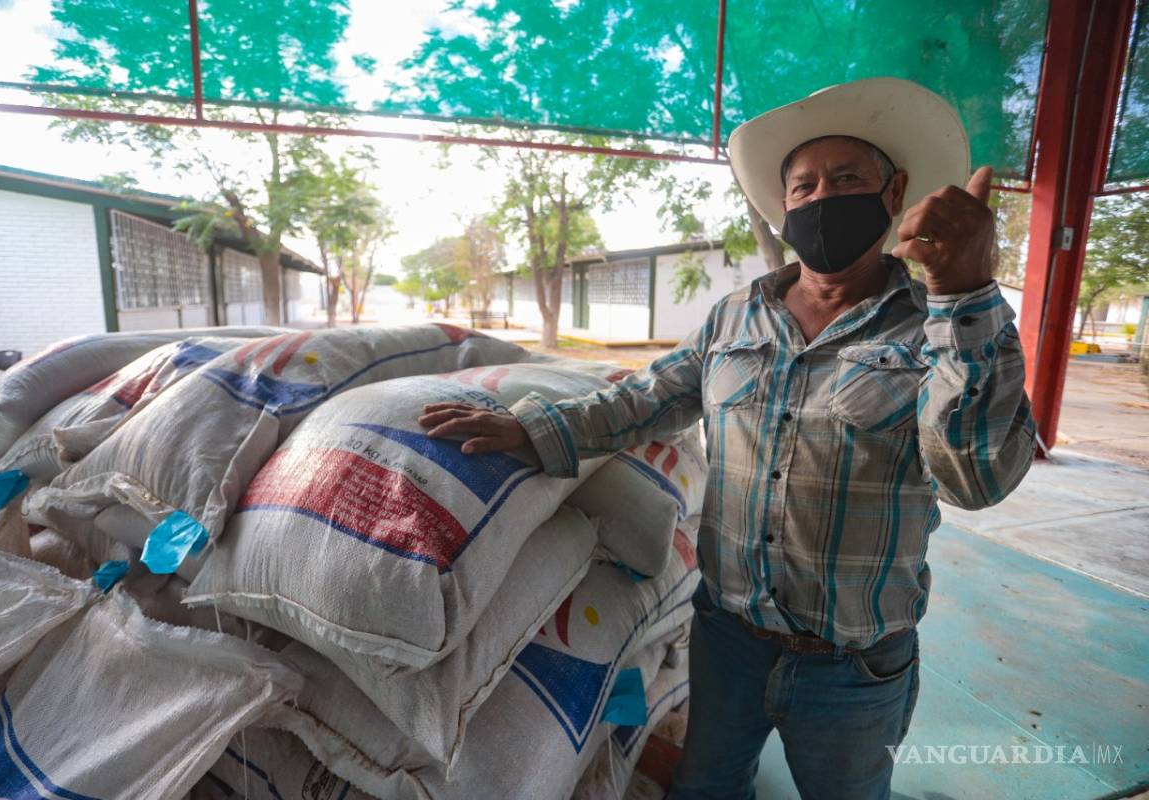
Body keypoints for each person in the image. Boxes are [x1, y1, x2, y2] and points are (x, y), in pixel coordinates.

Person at [417, 77, 1036, 799]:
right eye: (802, 188)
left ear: (893, 193)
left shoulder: (937, 321)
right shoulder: (736, 315)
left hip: (854, 664)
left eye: (846, 180)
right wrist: (528, 427)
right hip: (728, 640)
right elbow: (647, 399)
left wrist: (966, 292)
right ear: (783, 208)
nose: (820, 199)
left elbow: (978, 480)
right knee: (708, 785)